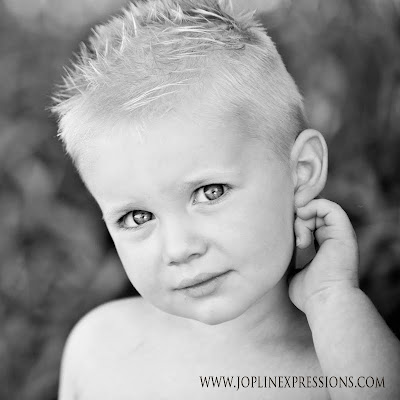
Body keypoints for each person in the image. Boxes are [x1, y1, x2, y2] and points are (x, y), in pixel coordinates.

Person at [51, 1, 400, 399]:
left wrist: (331, 297)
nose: (179, 249)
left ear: (301, 171)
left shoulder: (339, 370)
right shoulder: (99, 349)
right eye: (137, 217)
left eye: (209, 192)